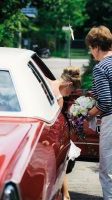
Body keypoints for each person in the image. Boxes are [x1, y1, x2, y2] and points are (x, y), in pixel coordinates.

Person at [85, 25, 112, 200]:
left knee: (107, 170)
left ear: (96, 46)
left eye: (90, 48)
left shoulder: (101, 68)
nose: (91, 53)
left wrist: (87, 115)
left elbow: (107, 102)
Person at [48, 66, 82, 200]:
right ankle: (65, 196)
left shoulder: (46, 82)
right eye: (72, 90)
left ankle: (66, 195)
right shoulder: (59, 99)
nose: (70, 94)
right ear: (69, 84)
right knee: (62, 163)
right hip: (49, 136)